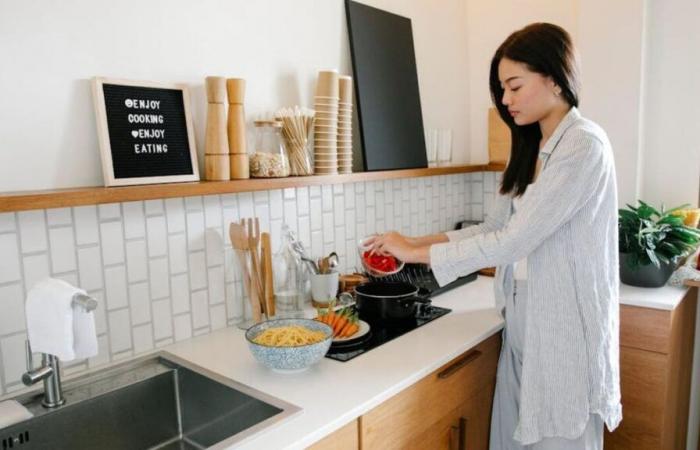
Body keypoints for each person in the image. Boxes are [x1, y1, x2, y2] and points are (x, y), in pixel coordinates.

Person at [368, 23, 621, 449]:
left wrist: (414, 252)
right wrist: (414, 242)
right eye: (501, 89)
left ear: (555, 78)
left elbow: (515, 241)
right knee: (513, 438)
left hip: (564, 330)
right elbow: (492, 229)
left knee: (560, 436)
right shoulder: (530, 150)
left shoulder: (584, 146)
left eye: (514, 86)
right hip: (524, 318)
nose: (505, 100)